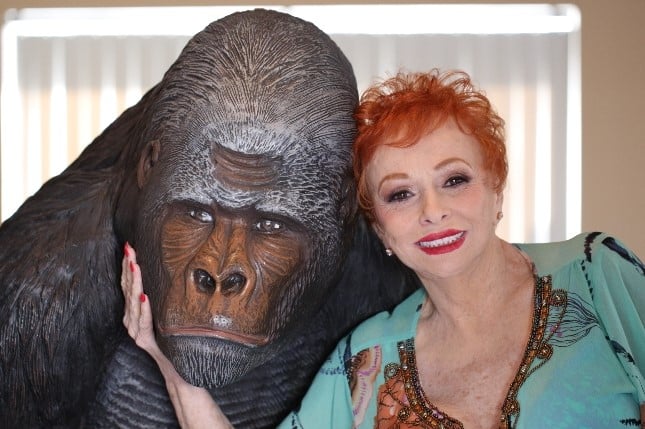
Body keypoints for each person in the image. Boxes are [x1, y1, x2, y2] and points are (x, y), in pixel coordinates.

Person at [122, 69, 645, 428]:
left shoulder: (595, 274)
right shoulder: (366, 358)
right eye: (400, 194)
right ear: (379, 227)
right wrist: (166, 361)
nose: (432, 211)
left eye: (455, 180)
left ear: (496, 190)